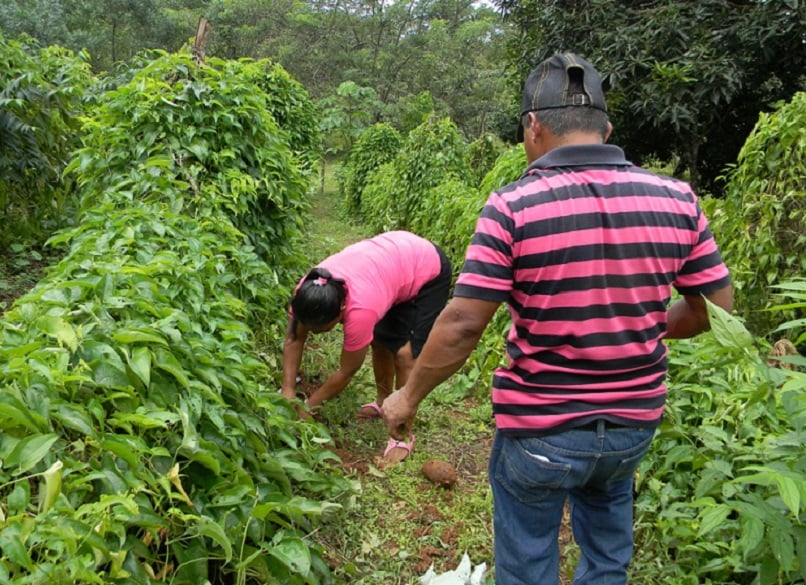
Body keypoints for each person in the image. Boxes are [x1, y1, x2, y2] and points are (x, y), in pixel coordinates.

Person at [381, 52, 733, 584]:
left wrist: (407, 398)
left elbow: (462, 324)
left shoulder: (514, 205)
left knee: (527, 563)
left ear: (532, 126)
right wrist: (641, 323)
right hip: (631, 428)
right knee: (608, 557)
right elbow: (717, 308)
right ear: (607, 127)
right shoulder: (677, 198)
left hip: (543, 430)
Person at [281, 230, 451, 463]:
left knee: (405, 355)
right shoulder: (307, 292)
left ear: (342, 310)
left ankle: (402, 434)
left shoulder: (360, 310)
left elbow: (346, 371)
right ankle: (383, 403)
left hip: (426, 269)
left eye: (321, 329)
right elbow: (293, 339)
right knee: (379, 341)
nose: (314, 332)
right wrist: (288, 392)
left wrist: (307, 407)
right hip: (389, 265)